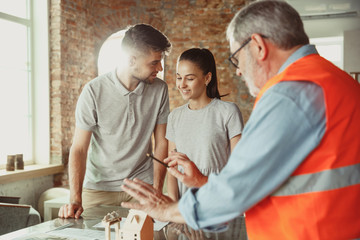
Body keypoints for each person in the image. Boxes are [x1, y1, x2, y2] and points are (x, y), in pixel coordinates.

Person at [120, 1, 360, 239]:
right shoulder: (336, 79)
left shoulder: (291, 91)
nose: (238, 70)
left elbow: (239, 186)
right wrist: (199, 183)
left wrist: (169, 210)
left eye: (237, 57)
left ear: (258, 46)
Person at [58, 23, 172, 219]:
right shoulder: (93, 91)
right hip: (97, 189)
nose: (159, 68)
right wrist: (75, 199)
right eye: (154, 63)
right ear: (131, 60)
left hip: (141, 187)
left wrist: (156, 189)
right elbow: (79, 148)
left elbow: (162, 142)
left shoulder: (160, 89)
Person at [165, 48, 243, 201]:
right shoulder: (174, 116)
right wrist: (174, 209)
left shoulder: (228, 112)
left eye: (190, 78)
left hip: (219, 201)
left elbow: (238, 168)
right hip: (185, 207)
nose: (182, 84)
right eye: (179, 77)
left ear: (207, 78)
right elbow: (172, 170)